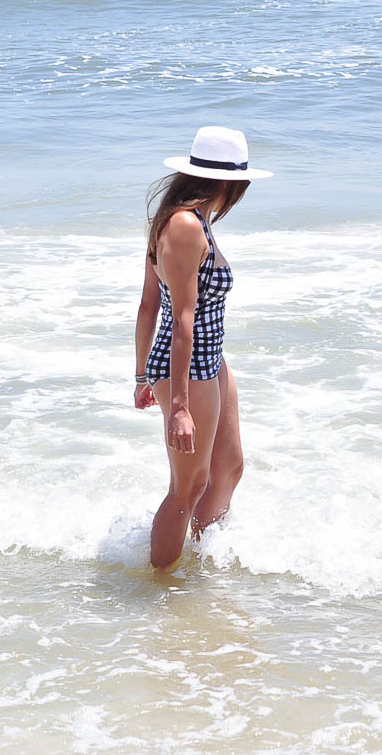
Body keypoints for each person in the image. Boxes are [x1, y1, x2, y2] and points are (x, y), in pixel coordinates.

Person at [134, 126, 273, 573]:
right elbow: (177, 317)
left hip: (210, 359)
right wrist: (177, 405)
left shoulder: (189, 219)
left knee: (229, 467)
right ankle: (161, 584)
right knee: (187, 488)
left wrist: (141, 375)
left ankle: (200, 560)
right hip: (188, 368)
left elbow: (148, 305)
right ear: (230, 183)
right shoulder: (184, 225)